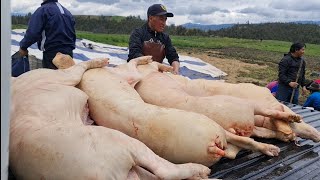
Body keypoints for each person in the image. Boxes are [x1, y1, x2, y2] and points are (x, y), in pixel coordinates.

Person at [19, 0, 76, 69]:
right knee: (66, 76)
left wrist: (23, 47)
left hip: (52, 55)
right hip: (68, 54)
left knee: (51, 78)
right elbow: (72, 34)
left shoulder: (43, 10)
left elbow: (33, 33)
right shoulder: (67, 13)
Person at [127, 4, 180, 74]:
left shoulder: (165, 38)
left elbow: (173, 56)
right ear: (150, 18)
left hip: (156, 72)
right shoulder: (138, 33)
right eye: (161, 19)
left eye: (165, 20)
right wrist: (155, 65)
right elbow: (134, 54)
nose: (164, 23)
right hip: (137, 71)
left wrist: (176, 70)